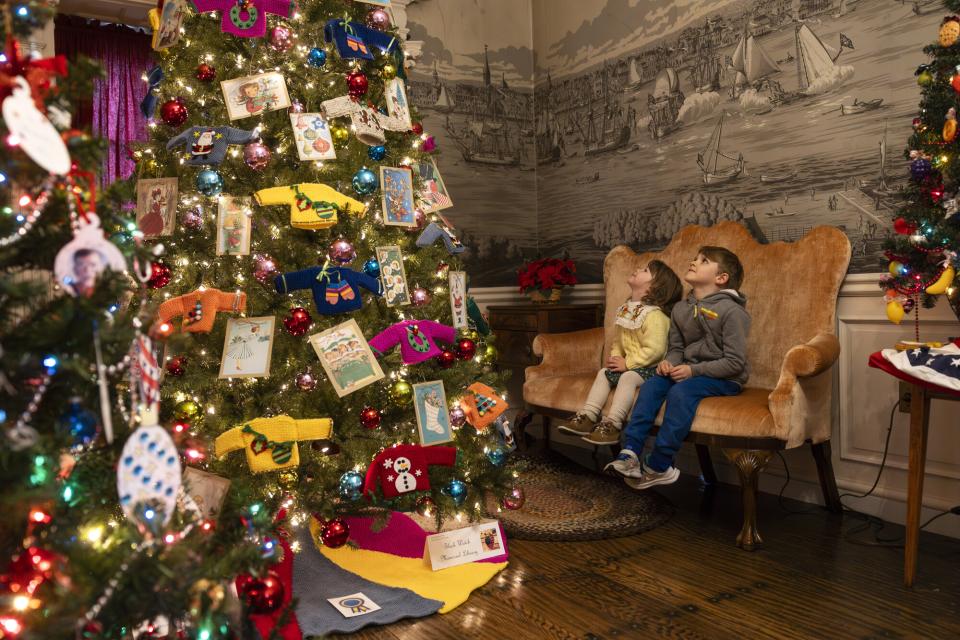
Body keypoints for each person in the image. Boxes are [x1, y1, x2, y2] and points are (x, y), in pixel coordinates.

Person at [607, 246, 751, 489]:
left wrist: (693, 371)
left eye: (703, 261)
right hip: (687, 370)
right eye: (695, 257)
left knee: (681, 392)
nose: (694, 262)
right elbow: (676, 348)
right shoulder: (681, 309)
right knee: (652, 385)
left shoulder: (733, 311)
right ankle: (630, 452)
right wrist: (669, 363)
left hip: (725, 377)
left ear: (721, 278)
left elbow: (735, 362)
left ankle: (659, 464)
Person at [557, 260, 682, 445]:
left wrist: (628, 364)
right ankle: (588, 415)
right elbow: (618, 341)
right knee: (603, 373)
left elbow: (655, 350)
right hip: (630, 364)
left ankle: (612, 424)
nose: (638, 268)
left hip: (651, 369)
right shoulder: (626, 311)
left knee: (628, 377)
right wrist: (616, 358)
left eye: (645, 270)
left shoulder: (655, 316)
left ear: (654, 286)